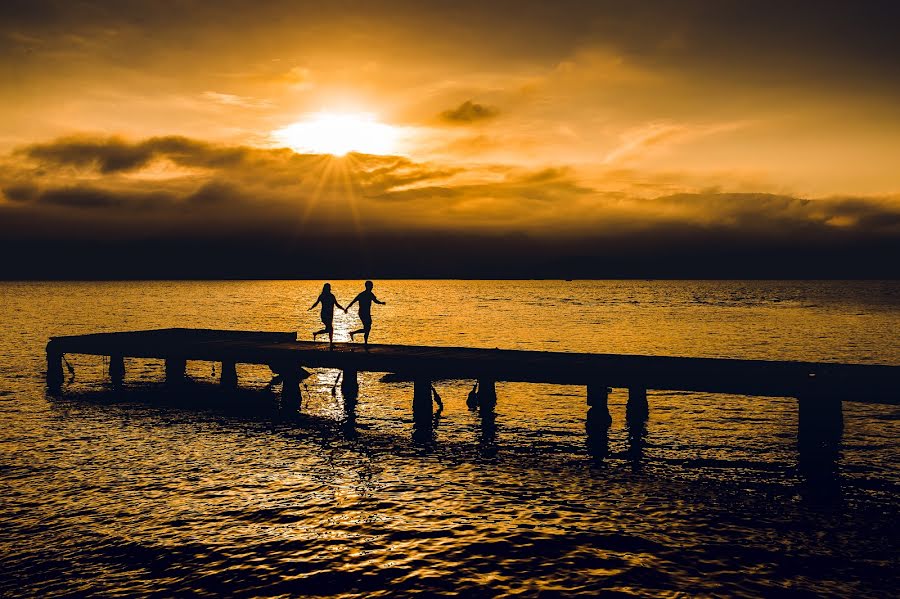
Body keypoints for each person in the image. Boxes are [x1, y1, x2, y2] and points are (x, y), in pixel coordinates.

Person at [347, 280, 386, 346]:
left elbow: (375, 301)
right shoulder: (362, 294)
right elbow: (353, 301)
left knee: (367, 328)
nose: (372, 287)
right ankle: (364, 342)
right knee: (367, 328)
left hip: (367, 313)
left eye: (372, 286)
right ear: (368, 286)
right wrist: (347, 308)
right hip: (362, 313)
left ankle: (356, 335)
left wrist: (381, 303)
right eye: (371, 286)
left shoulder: (370, 294)